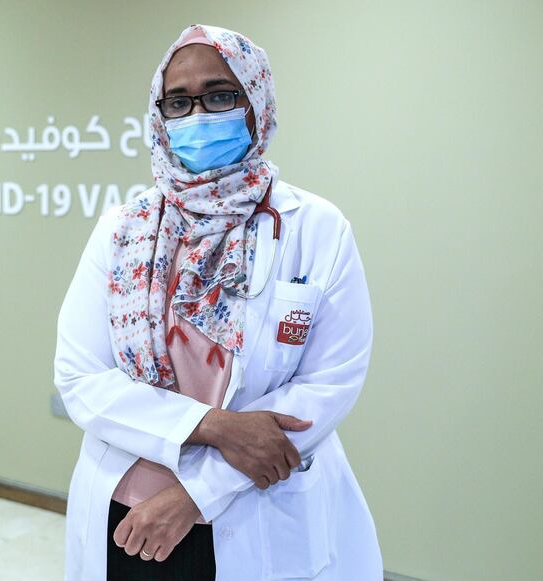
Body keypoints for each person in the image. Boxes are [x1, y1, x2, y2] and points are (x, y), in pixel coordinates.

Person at [54, 23, 383, 581]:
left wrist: (196, 495)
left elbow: (329, 384)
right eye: (178, 102)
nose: (198, 116)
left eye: (220, 95)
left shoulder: (317, 227)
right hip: (128, 516)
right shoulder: (122, 229)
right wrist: (215, 425)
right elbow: (82, 377)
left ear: (256, 103)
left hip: (260, 508)